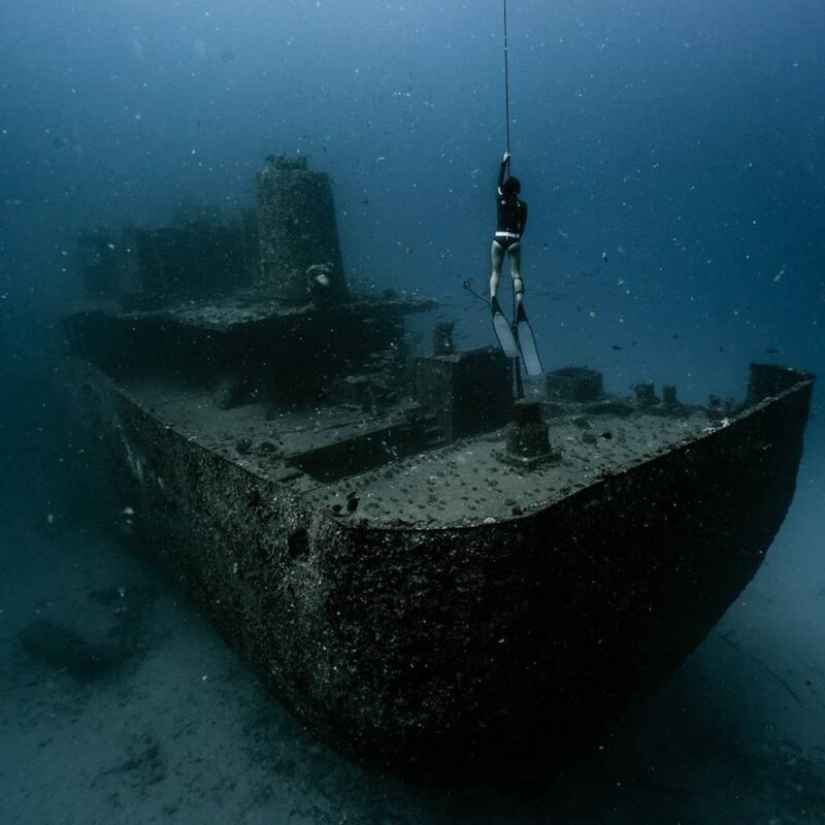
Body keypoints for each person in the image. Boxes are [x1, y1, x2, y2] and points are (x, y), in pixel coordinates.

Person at [489, 151, 528, 315]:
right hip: (514, 240)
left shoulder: (500, 197)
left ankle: (493, 298)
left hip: (498, 238)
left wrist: (503, 162)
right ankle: (519, 301)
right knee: (516, 274)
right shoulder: (522, 205)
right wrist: (517, 238)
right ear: (518, 189)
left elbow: (498, 181)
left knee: (495, 272)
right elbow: (522, 226)